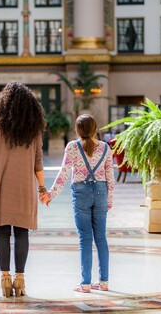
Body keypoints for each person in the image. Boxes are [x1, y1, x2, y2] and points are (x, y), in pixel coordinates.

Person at [0, 81, 47, 298]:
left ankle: (4, 279)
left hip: (0, 184)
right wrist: (41, 187)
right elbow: (38, 161)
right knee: (21, 231)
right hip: (24, 186)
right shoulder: (33, 127)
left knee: (2, 230)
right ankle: (20, 279)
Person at [44, 114, 114, 293]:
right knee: (101, 238)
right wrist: (109, 199)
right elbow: (110, 177)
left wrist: (51, 194)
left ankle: (85, 284)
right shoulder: (105, 148)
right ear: (95, 128)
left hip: (81, 192)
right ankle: (104, 282)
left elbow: (64, 173)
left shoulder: (72, 147)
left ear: (77, 130)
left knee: (85, 239)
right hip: (100, 192)